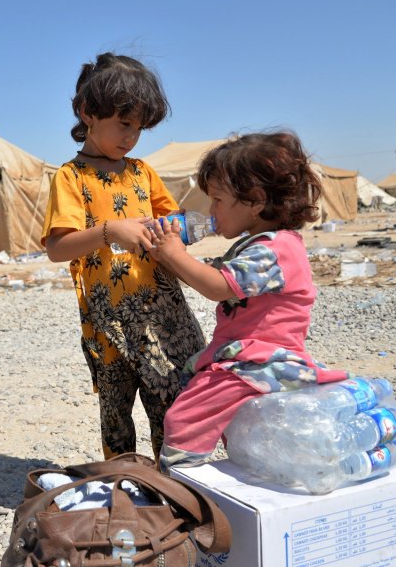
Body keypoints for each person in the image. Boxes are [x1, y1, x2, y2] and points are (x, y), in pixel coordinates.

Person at [150, 131, 350, 472]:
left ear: (256, 201)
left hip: (260, 361)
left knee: (186, 417)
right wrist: (170, 256)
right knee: (242, 432)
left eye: (217, 200)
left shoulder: (274, 250)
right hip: (247, 358)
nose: (211, 210)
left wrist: (174, 253)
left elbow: (216, 286)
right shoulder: (262, 244)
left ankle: (177, 491)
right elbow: (214, 278)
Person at [42, 52, 205, 461]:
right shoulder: (71, 178)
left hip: (162, 311)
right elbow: (57, 248)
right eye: (123, 123)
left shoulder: (142, 172)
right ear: (87, 112)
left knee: (173, 405)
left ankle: (175, 491)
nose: (131, 137)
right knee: (117, 415)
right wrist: (109, 231)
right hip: (109, 320)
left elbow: (174, 224)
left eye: (138, 127)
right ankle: (124, 492)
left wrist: (178, 232)